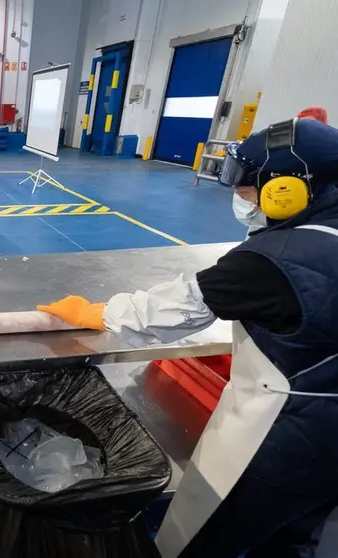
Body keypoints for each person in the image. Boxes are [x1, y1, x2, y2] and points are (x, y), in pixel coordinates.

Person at [38, 117, 338, 558]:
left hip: (287, 432)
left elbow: (183, 307)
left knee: (207, 532)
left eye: (247, 190)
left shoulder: (275, 260)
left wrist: (96, 312)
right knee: (300, 534)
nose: (240, 200)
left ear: (287, 192)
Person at [232, 106, 330, 236]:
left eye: (312, 132)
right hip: (263, 236)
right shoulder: (268, 162)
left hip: (305, 238)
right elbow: (244, 210)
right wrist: (261, 203)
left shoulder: (327, 169)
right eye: (301, 130)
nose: (305, 138)